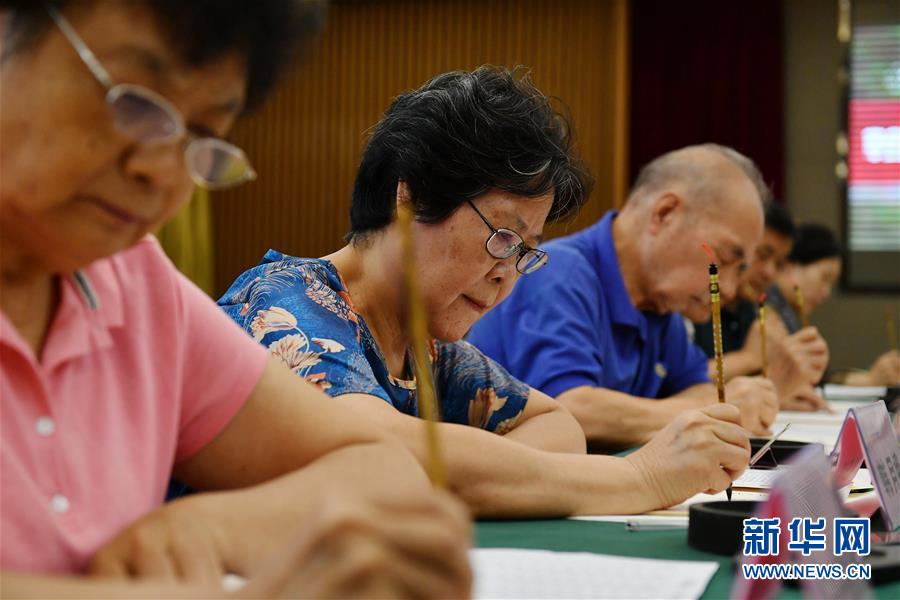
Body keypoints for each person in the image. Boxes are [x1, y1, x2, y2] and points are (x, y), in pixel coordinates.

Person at [0, 1, 471, 598]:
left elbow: (384, 472)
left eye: (202, 137)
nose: (159, 171)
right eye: (134, 103)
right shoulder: (290, 300)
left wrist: (209, 529)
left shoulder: (135, 286)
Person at [220, 68, 753, 518]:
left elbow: (557, 424)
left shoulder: (426, 348)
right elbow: (375, 452)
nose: (507, 275)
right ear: (410, 198)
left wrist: (474, 480)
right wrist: (639, 478)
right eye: (502, 237)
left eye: (525, 252)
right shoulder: (284, 305)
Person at [469, 144, 779, 451]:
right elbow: (569, 410)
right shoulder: (558, 272)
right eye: (722, 260)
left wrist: (704, 404)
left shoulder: (661, 306)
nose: (729, 289)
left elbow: (697, 388)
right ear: (664, 213)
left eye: (740, 271)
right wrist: (713, 408)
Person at [692, 202, 830, 411]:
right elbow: (675, 387)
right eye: (762, 255)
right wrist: (748, 359)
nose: (769, 273)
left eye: (779, 264)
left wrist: (779, 389)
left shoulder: (750, 309)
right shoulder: (693, 301)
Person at [768, 224, 900, 386]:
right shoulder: (766, 307)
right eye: (825, 277)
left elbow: (817, 378)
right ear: (790, 266)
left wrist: (870, 379)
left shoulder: (785, 311)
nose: (826, 293)